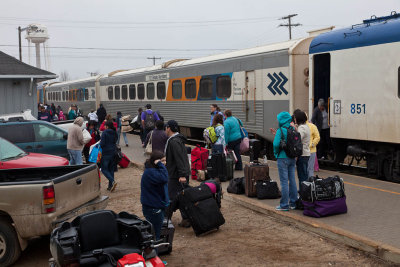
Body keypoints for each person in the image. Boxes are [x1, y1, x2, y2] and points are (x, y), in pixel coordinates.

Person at [164, 120, 191, 227]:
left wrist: (182, 175)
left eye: (166, 127)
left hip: (176, 175)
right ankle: (187, 218)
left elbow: (179, 158)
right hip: (178, 173)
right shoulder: (177, 139)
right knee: (182, 197)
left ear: (169, 128)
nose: (165, 129)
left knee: (170, 197)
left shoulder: (174, 141)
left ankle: (165, 220)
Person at [141, 151, 169, 240]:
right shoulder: (151, 172)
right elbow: (164, 178)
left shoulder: (153, 171)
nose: (164, 163)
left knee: (154, 233)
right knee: (155, 235)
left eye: (165, 161)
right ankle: (154, 253)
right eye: (162, 161)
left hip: (154, 206)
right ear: (156, 161)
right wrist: (161, 165)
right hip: (153, 208)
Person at [272, 111, 297, 211]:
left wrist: (276, 153)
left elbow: (276, 144)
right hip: (292, 158)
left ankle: (284, 205)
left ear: (282, 120)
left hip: (282, 158)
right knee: (292, 180)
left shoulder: (281, 130)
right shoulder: (293, 129)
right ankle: (294, 202)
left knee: (284, 182)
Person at [293, 110, 311, 184]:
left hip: (302, 154)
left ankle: (303, 193)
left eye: (295, 118)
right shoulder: (306, 126)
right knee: (304, 175)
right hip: (306, 153)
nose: (294, 120)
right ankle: (304, 192)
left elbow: (297, 139)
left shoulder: (302, 128)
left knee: (302, 176)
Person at [100, 121, 118, 192]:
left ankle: (112, 181)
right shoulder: (114, 132)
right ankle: (110, 186)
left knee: (104, 169)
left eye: (105, 125)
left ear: (107, 126)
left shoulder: (105, 132)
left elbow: (102, 144)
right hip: (113, 152)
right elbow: (115, 141)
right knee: (111, 169)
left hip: (106, 153)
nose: (104, 127)